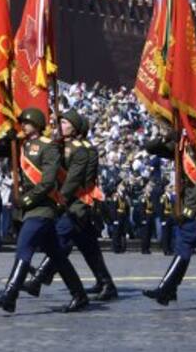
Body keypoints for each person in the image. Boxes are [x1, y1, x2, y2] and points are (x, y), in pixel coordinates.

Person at [0, 107, 89, 313]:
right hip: (31, 209)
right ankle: (79, 294)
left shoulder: (48, 146)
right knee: (57, 256)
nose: (23, 125)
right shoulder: (20, 144)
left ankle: (10, 295)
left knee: (24, 246)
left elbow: (48, 181)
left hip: (42, 206)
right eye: (22, 122)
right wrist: (6, 139)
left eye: (27, 122)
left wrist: (25, 200)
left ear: (37, 125)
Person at [23, 111, 117, 302]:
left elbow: (75, 180)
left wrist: (58, 199)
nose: (61, 126)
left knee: (59, 237)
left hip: (78, 203)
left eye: (65, 122)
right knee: (87, 246)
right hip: (70, 203)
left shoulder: (82, 149)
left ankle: (39, 277)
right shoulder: (61, 145)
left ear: (74, 126)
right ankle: (106, 283)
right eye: (61, 122)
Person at [141, 127, 196, 308]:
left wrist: (190, 207)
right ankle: (170, 290)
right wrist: (163, 135)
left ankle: (166, 289)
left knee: (184, 244)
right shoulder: (181, 144)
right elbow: (151, 148)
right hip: (191, 207)